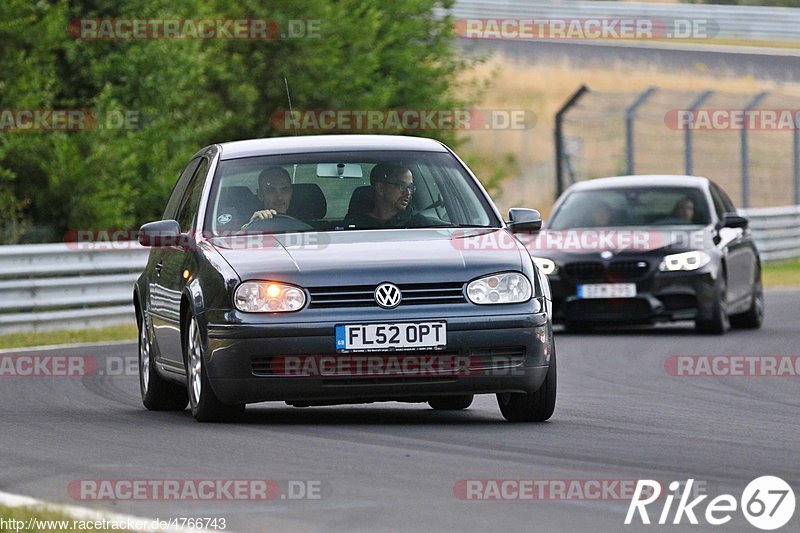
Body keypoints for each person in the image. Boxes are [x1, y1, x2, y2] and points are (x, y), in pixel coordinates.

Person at [344, 162, 424, 229]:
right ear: (380, 188)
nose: (408, 193)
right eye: (402, 186)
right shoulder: (353, 225)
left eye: (410, 187)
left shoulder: (420, 225)